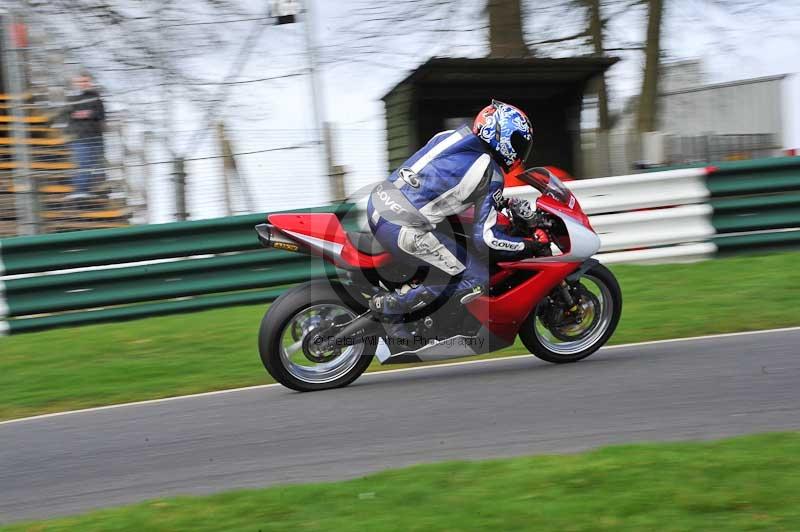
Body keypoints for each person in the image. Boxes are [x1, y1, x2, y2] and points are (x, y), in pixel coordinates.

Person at [367, 100, 540, 318]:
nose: (519, 151)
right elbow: (485, 240)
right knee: (476, 279)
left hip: (379, 202)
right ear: (502, 134)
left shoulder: (450, 136)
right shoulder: (489, 171)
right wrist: (527, 246)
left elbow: (440, 184)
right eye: (517, 142)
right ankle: (394, 304)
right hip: (401, 228)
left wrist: (501, 203)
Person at [65, 72, 106, 201]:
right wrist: (85, 114)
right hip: (79, 137)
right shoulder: (70, 98)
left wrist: (86, 113)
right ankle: (79, 191)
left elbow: (101, 115)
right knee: (83, 163)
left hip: (96, 136)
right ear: (75, 83)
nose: (83, 84)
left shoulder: (96, 97)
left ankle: (86, 191)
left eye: (85, 81)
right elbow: (68, 115)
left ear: (90, 82)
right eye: (80, 82)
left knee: (93, 165)